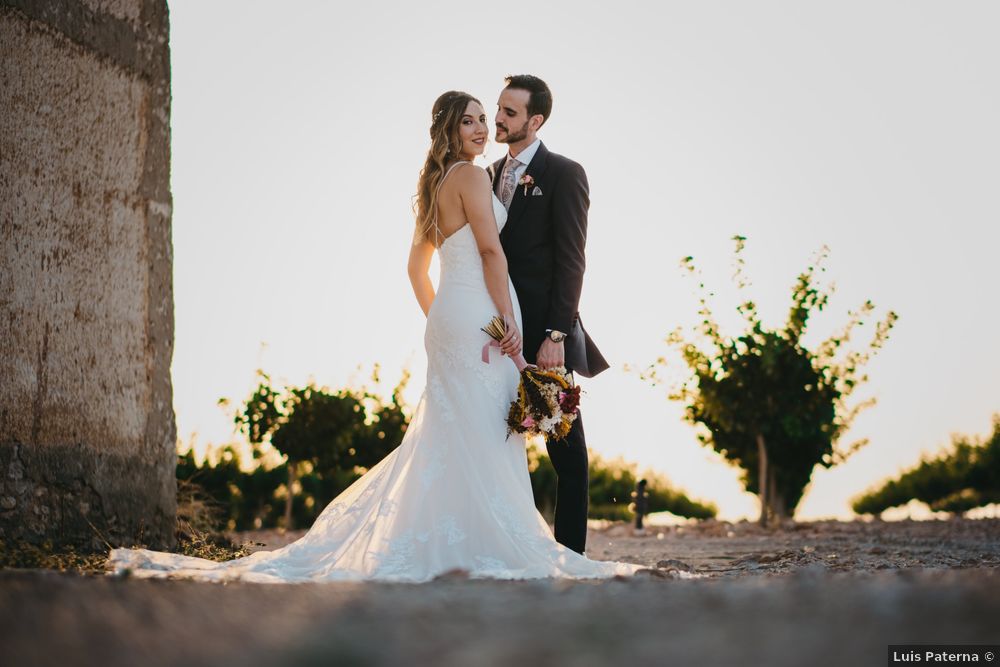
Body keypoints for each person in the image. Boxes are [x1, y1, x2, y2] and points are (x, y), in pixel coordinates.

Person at [106, 89, 642, 583]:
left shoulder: (441, 181)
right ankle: (493, 540)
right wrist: (505, 326)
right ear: (450, 130)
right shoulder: (478, 176)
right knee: (483, 427)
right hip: (488, 319)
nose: (487, 124)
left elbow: (421, 269)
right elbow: (491, 252)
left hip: (457, 318)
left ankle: (479, 538)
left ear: (533, 118)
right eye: (476, 118)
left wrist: (446, 320)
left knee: (458, 430)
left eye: (495, 115)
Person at [492, 74, 606, 554]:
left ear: (535, 121)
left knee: (565, 448)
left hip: (543, 331)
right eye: (498, 108)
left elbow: (572, 258)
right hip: (495, 326)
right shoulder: (486, 174)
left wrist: (557, 332)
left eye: (510, 112)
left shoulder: (564, 172)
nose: (498, 118)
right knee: (491, 433)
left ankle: (572, 552)